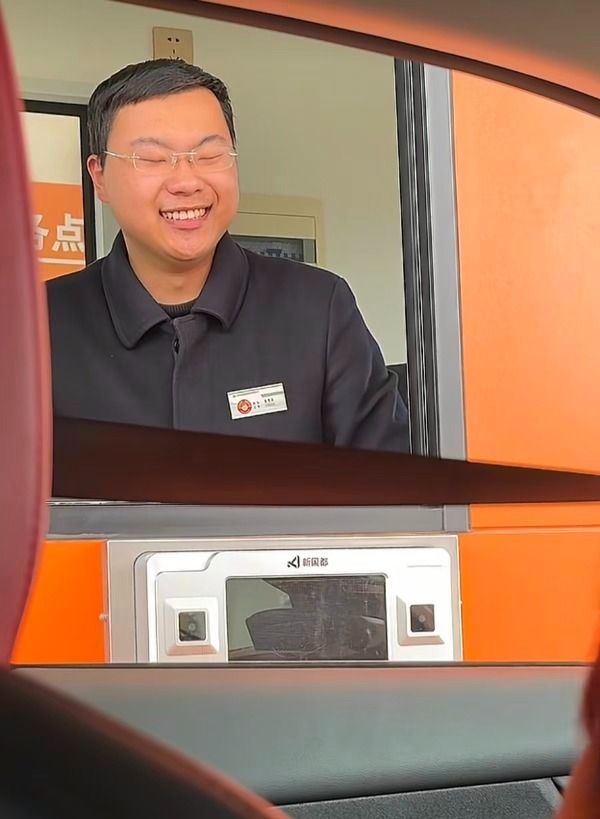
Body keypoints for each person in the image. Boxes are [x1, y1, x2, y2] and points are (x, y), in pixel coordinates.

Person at [47, 59, 409, 452]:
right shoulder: (38, 326)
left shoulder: (319, 308)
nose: (186, 182)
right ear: (99, 176)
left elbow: (390, 477)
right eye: (152, 159)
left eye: (209, 155)